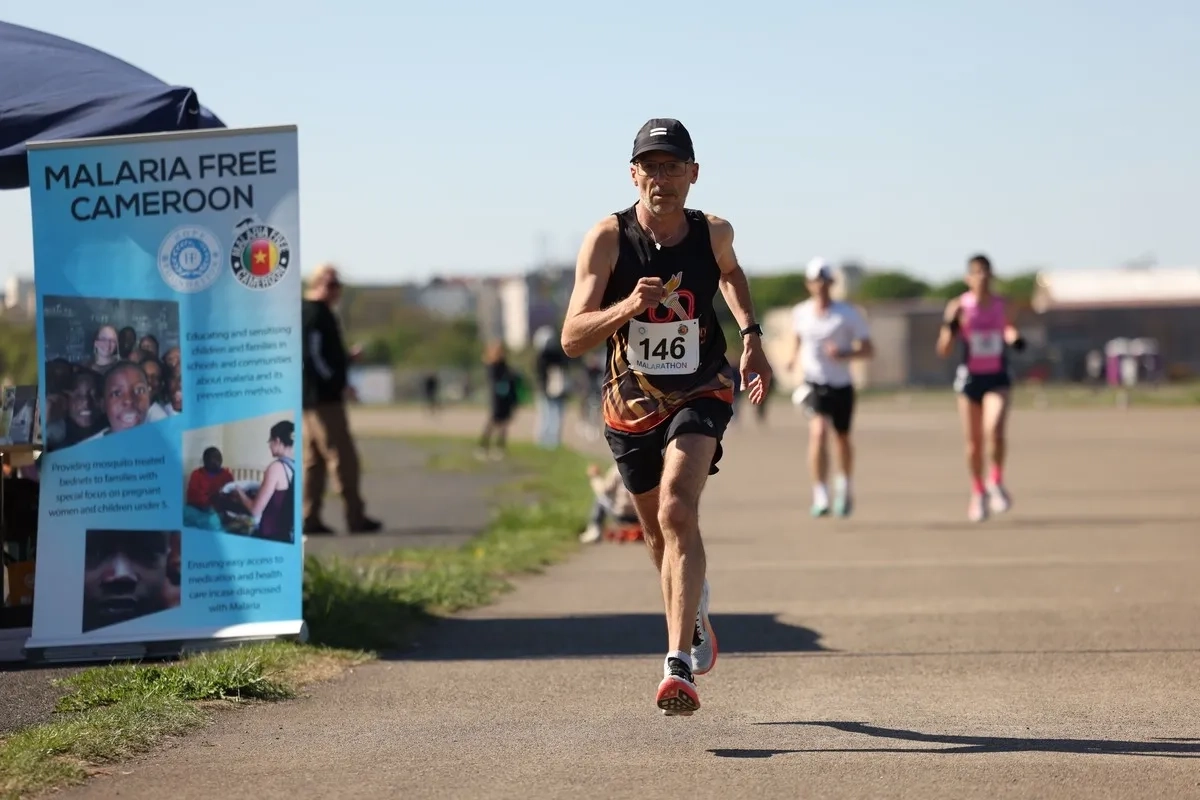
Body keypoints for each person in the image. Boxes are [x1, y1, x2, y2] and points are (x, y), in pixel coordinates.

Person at [560, 117, 772, 717]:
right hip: (630, 404)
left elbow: (730, 274)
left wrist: (751, 334)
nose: (662, 178)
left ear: (693, 175)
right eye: (651, 167)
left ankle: (677, 664)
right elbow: (572, 337)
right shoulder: (607, 239)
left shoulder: (714, 232)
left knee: (680, 507)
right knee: (657, 534)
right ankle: (693, 606)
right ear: (633, 175)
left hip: (702, 387)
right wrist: (630, 304)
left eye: (674, 167)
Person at [936, 253, 1026, 522]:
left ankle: (995, 479)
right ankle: (978, 491)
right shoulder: (959, 307)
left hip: (996, 377)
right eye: (976, 273)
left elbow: (1008, 329)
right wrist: (952, 327)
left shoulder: (1003, 305)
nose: (982, 278)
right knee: (974, 444)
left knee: (994, 429)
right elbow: (943, 348)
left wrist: (1015, 339)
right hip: (970, 379)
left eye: (986, 273)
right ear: (968, 278)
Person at [784, 258, 874, 518]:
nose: (820, 286)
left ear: (832, 283)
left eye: (825, 281)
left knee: (842, 439)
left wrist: (845, 354)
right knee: (818, 433)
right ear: (809, 284)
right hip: (813, 383)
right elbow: (797, 339)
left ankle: (845, 484)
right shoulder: (800, 313)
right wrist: (792, 359)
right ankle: (820, 492)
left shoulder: (848, 314)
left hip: (842, 384)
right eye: (816, 281)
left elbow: (868, 349)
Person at [301, 263, 382, 534]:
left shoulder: (310, 312)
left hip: (310, 396)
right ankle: (355, 516)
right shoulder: (315, 314)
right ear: (316, 283)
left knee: (314, 459)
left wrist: (345, 361)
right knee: (342, 456)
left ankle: (309, 516)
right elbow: (314, 357)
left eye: (337, 285)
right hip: (323, 399)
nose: (334, 290)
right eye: (329, 283)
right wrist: (338, 383)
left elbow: (319, 357)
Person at [233, 420, 297, 542]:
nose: (269, 446)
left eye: (270, 441)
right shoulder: (296, 465)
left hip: (271, 536)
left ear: (277, 441)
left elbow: (255, 510)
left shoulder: (276, 468)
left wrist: (239, 491)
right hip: (289, 536)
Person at [477, 342, 519, 460]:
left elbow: (511, 380)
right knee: (493, 421)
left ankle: (500, 447)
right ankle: (483, 446)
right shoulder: (492, 366)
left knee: (504, 424)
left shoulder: (505, 365)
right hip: (497, 397)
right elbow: (494, 379)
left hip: (507, 397)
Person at [580, 461, 639, 543]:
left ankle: (595, 529)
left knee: (600, 499)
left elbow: (604, 490)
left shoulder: (618, 469)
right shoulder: (646, 467)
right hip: (640, 514)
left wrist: (595, 477)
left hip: (621, 514)